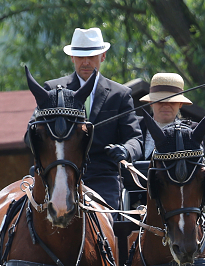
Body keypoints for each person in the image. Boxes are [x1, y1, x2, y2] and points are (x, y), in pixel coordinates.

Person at [42, 27, 143, 209]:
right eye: (80, 57)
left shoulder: (120, 94)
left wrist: (125, 150)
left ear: (103, 56)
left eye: (92, 56)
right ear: (72, 58)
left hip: (103, 176)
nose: (86, 62)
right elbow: (31, 133)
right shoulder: (52, 90)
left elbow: (135, 138)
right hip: (57, 175)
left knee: (106, 228)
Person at [138, 72, 193, 158]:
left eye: (172, 102)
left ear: (180, 104)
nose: (166, 105)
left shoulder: (190, 132)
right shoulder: (134, 127)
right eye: (160, 101)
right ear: (151, 102)